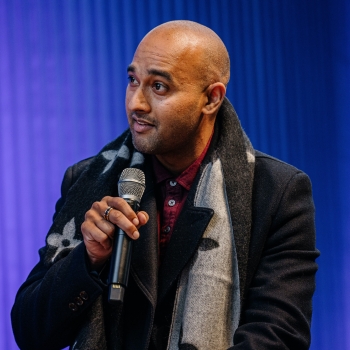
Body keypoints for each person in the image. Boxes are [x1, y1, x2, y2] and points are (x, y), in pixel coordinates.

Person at [11, 20, 319, 350]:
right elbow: (30, 332)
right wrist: (87, 259)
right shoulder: (89, 180)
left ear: (211, 98)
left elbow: (278, 337)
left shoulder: (277, 192)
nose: (136, 104)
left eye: (159, 87)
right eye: (133, 81)